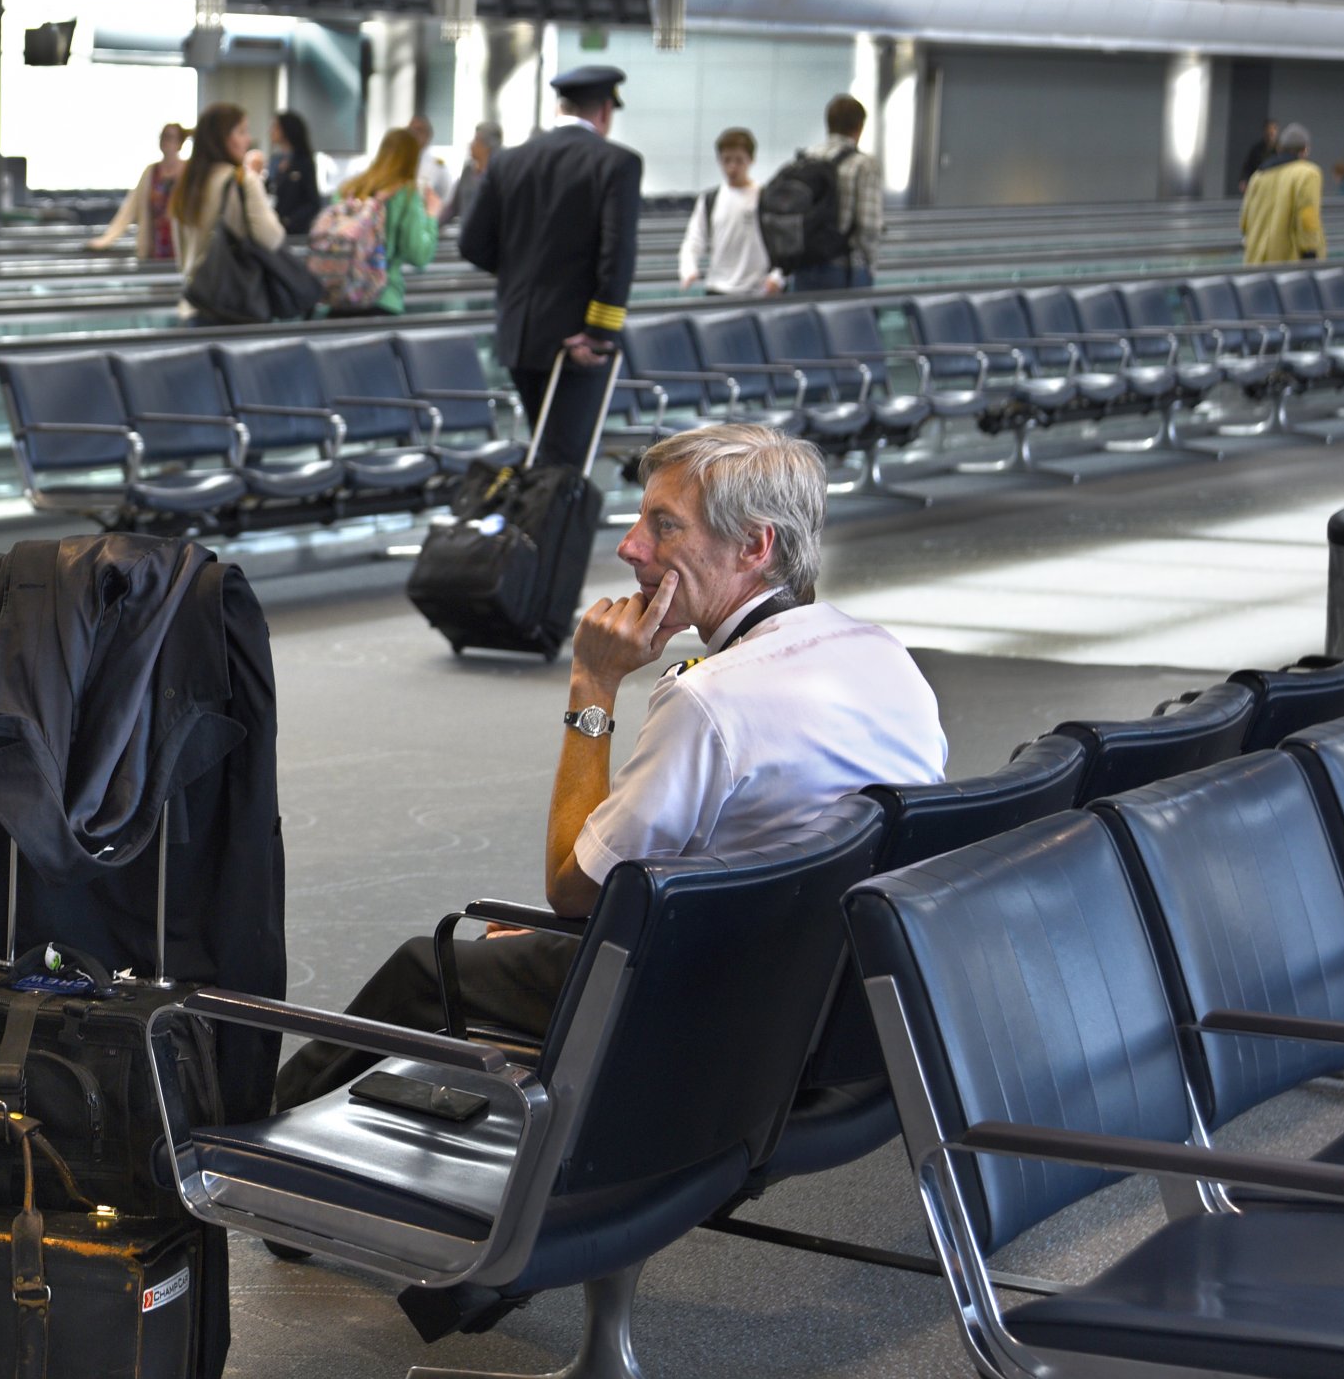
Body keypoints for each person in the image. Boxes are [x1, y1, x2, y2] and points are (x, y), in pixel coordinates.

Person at [273, 422, 947, 1110]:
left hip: (712, 1008)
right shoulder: (883, 656)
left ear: (755, 545)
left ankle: (236, 1143)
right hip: (837, 996)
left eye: (665, 527)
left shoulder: (712, 699)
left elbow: (576, 892)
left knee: (429, 966)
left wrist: (593, 686)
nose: (630, 547)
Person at [458, 64, 640, 467]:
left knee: (546, 451)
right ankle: (546, 531)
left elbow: (471, 243)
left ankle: (533, 529)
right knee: (565, 462)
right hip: (577, 341)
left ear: (562, 105)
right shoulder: (617, 163)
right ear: (606, 110)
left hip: (519, 335)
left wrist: (523, 275)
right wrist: (599, 332)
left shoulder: (509, 161)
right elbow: (618, 255)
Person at [171, 102, 285, 317]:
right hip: (235, 306)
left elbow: (181, 256)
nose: (248, 140)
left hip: (194, 303)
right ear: (222, 138)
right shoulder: (242, 181)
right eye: (241, 131)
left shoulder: (186, 184)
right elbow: (272, 238)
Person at [327, 127, 438, 314]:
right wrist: (431, 215)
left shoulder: (347, 190)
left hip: (340, 296)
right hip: (382, 298)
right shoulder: (406, 194)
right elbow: (418, 255)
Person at [787, 94, 884, 292]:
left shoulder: (805, 159)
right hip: (845, 268)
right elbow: (869, 225)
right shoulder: (864, 164)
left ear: (828, 124)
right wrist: (871, 264)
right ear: (859, 127)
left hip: (803, 265)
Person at [678, 127, 783, 297]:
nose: (732, 167)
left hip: (757, 291)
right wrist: (688, 268)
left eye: (739, 160)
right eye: (726, 160)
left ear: (751, 160)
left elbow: (782, 243)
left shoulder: (765, 198)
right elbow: (693, 240)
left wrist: (777, 277)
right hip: (718, 289)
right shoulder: (709, 199)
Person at [90, 123, 188, 262]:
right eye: (162, 137)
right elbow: (129, 209)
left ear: (180, 143)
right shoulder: (151, 172)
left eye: (170, 137)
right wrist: (107, 239)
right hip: (155, 246)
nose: (165, 141)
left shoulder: (188, 172)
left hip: (182, 247)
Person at [1241, 121, 1325, 265]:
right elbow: (1307, 216)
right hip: (1288, 264)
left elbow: (1244, 220)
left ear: (1280, 149)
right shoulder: (1307, 174)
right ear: (1304, 150)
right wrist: (1310, 253)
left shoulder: (1258, 176)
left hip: (1254, 262)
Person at [266, 112, 324, 237]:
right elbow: (270, 190)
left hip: (293, 231)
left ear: (287, 130)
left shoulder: (303, 162)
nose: (271, 131)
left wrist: (289, 221)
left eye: (275, 127)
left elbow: (313, 202)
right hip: (273, 228)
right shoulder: (275, 160)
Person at [445, 120, 503, 233]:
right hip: (467, 237)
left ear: (488, 146)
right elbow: (453, 207)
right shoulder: (468, 171)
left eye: (476, 140)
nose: (471, 144)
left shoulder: (500, 174)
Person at [407, 114, 452, 217]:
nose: (414, 134)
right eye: (410, 130)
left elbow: (446, 198)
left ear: (428, 135)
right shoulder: (398, 162)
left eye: (419, 130)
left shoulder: (437, 166)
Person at [1238, 119, 1281, 191]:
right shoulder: (1256, 149)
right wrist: (1244, 180)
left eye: (1272, 132)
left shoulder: (1282, 149)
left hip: (1276, 185)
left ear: (1276, 132)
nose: (1270, 134)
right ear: (1264, 132)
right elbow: (1248, 166)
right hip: (1260, 184)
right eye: (1268, 132)